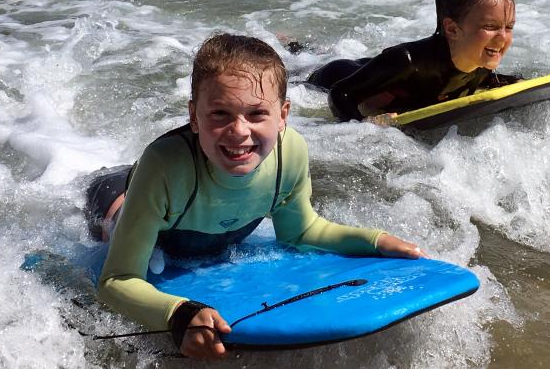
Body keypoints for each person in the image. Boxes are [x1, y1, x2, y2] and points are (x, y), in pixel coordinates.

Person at [85, 33, 423, 360]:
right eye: (220, 114)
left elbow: (302, 232)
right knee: (107, 226)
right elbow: (117, 279)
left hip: (169, 195)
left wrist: (376, 241)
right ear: (193, 116)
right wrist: (178, 313)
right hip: (115, 195)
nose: (239, 131)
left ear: (283, 116)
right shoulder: (162, 166)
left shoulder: (289, 153)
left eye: (257, 114)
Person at [307, 0, 519, 123]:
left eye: (509, 27)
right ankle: (299, 48)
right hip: (330, 78)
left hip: (377, 72)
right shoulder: (406, 61)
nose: (502, 37)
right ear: (452, 29)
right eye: (491, 27)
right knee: (299, 65)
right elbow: (339, 94)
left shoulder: (481, 64)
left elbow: (488, 82)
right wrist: (363, 124)